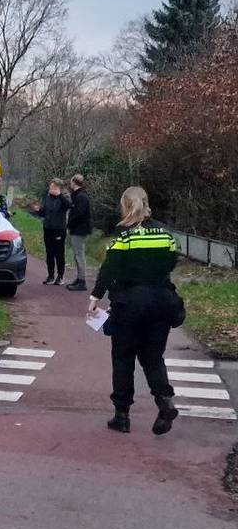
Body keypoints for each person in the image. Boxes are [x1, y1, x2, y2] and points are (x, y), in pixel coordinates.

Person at [88, 186, 182, 435]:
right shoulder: (165, 233)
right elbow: (172, 262)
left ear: (126, 207)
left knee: (123, 358)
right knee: (153, 358)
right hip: (161, 303)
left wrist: (95, 297)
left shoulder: (124, 236)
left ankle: (122, 416)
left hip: (129, 305)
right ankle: (165, 403)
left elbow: (109, 269)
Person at [32, 178, 72, 285]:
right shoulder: (48, 197)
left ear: (59, 188)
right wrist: (39, 210)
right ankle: (50, 275)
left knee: (59, 253)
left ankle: (60, 276)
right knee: (49, 253)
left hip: (59, 229)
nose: (51, 189)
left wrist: (59, 195)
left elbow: (69, 206)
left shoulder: (64, 197)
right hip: (48, 228)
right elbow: (44, 212)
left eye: (54, 187)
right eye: (51, 187)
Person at [65, 174, 92, 291]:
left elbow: (78, 214)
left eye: (71, 182)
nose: (70, 184)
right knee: (77, 255)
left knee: (79, 255)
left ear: (74, 183)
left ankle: (82, 281)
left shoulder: (80, 197)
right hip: (78, 228)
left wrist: (69, 223)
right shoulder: (79, 195)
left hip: (79, 229)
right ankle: (79, 278)